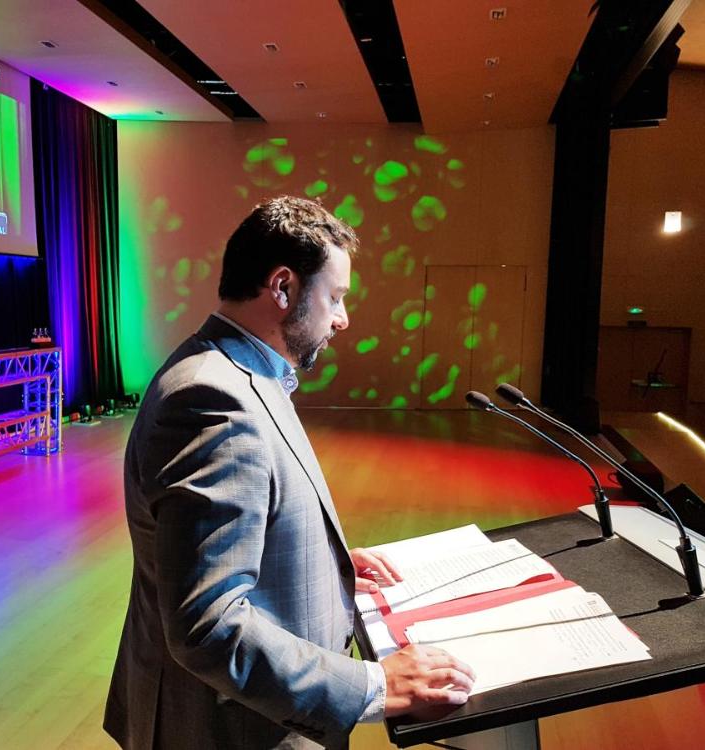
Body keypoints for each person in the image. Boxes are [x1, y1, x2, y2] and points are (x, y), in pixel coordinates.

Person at [104, 196, 475, 749]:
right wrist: (375, 686)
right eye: (335, 297)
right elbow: (208, 626)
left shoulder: (241, 372)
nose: (343, 319)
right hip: (224, 731)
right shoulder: (214, 400)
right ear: (283, 288)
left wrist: (328, 564)